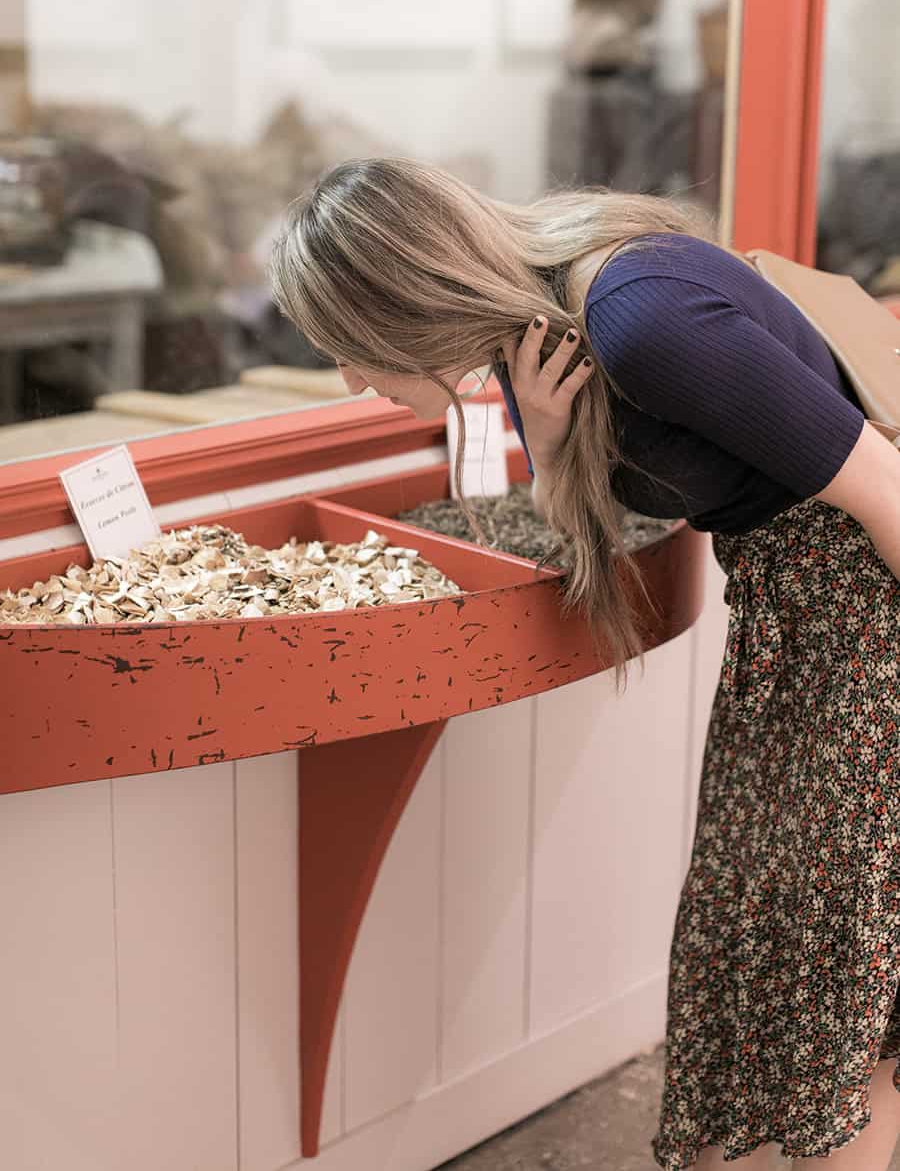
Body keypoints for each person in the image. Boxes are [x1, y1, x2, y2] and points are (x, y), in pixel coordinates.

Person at [269, 157, 900, 1170]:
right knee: (783, 952)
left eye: (347, 347)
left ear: (404, 304)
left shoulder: (641, 318)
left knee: (828, 965)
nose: (351, 380)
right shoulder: (558, 345)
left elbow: (883, 490)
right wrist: (555, 443)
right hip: (801, 625)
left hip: (860, 626)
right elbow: (624, 520)